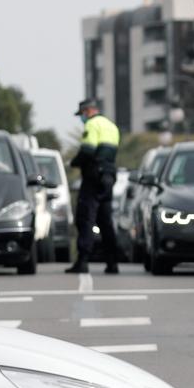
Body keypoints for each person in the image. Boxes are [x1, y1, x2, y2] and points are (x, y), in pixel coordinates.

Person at [67, 98, 120, 274]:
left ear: (87, 111)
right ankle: (112, 263)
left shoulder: (92, 125)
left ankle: (82, 261)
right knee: (106, 222)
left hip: (93, 178)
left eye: (82, 114)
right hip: (109, 177)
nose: (82, 118)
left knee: (86, 218)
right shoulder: (111, 126)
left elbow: (88, 150)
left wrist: (74, 162)